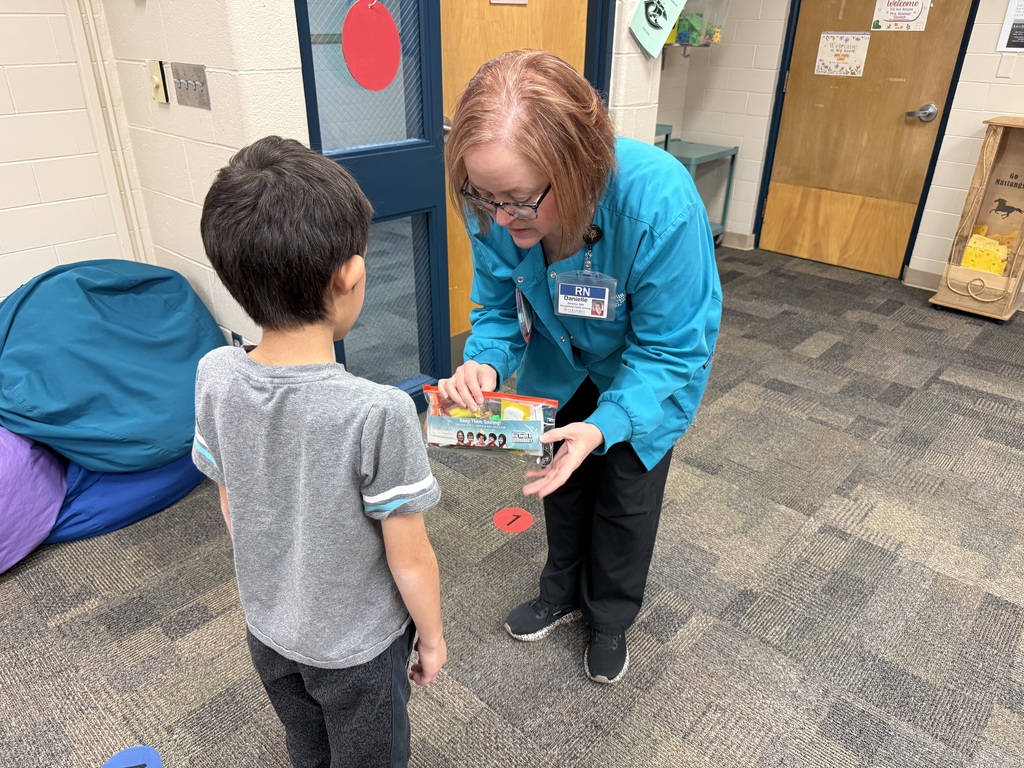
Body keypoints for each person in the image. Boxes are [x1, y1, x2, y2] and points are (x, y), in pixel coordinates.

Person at [438, 50, 721, 685]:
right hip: (557, 363)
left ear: (579, 167)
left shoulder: (660, 201)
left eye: (517, 200)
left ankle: (611, 615)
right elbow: (497, 306)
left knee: (624, 495)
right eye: (484, 198)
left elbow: (672, 349)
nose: (500, 218)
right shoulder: (489, 202)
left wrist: (606, 423)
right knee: (559, 487)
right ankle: (560, 592)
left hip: (643, 373)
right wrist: (484, 365)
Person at [192, 135, 446, 767]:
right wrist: (434, 638)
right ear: (351, 276)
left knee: (306, 749)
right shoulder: (378, 411)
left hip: (269, 629)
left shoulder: (216, 374)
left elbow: (232, 502)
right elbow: (410, 558)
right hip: (359, 650)